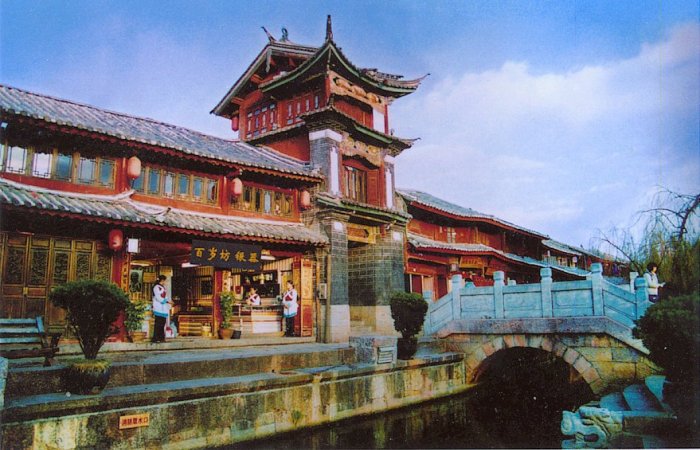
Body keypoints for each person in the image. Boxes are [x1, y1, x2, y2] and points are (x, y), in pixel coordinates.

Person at [152, 275, 173, 343]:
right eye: (164, 280)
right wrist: (167, 301)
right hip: (158, 307)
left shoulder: (163, 287)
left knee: (162, 323)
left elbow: (165, 297)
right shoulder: (156, 287)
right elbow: (158, 297)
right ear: (162, 280)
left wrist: (168, 301)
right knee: (158, 323)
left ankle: (161, 338)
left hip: (163, 308)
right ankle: (156, 338)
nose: (165, 282)